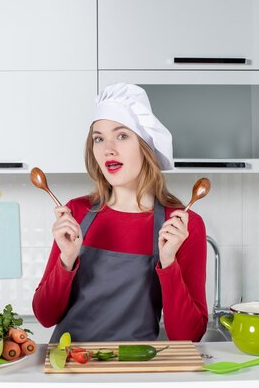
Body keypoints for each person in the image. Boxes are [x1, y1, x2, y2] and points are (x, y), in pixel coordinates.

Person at [32, 83, 208, 343]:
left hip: (134, 369)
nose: (107, 149)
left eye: (122, 135)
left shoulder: (181, 224)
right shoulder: (77, 212)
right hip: (70, 367)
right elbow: (45, 316)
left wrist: (168, 262)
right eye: (99, 138)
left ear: (145, 146)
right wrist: (66, 260)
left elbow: (187, 336)